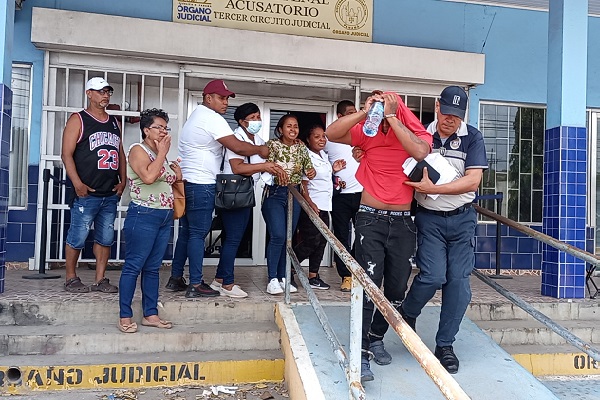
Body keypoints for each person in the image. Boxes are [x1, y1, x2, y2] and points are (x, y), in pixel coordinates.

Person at [326, 91, 432, 382]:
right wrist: (365, 111)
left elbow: (420, 151)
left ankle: (376, 337)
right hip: (370, 218)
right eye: (378, 109)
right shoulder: (366, 131)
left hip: (402, 222)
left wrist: (392, 116)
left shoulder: (412, 131)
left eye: (384, 107)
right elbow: (332, 133)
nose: (380, 114)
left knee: (397, 287)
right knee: (368, 284)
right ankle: (361, 349)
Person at [400, 86, 487, 374]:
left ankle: (445, 345)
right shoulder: (423, 136)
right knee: (433, 276)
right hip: (430, 219)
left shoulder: (472, 137)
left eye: (457, 116)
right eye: (447, 113)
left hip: (462, 220)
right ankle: (408, 314)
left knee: (458, 284)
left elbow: (473, 182)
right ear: (438, 106)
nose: (451, 120)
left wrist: (434, 188)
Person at [166, 80, 269, 298]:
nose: (225, 103)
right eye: (221, 98)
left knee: (187, 233)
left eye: (227, 99)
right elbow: (237, 147)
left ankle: (176, 278)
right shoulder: (210, 118)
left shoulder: (197, 116)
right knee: (197, 234)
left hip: (191, 181)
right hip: (201, 183)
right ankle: (195, 284)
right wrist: (261, 150)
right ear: (208, 98)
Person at [209, 103, 286, 298]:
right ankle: (227, 284)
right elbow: (238, 168)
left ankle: (218, 279)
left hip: (245, 192)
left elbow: (265, 160)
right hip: (234, 192)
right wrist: (265, 167)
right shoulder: (237, 140)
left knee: (233, 237)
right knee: (233, 238)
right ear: (242, 122)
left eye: (258, 116)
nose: (257, 121)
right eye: (253, 117)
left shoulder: (258, 140)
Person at [118, 109, 181, 333]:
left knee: (153, 268)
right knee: (133, 266)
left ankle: (150, 314)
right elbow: (148, 177)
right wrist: (163, 154)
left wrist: (175, 169)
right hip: (143, 215)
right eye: (159, 127)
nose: (164, 131)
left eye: (166, 128)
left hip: (163, 216)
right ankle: (125, 316)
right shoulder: (138, 150)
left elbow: (172, 178)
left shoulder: (160, 154)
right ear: (146, 130)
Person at [61, 77, 126, 293]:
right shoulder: (78, 119)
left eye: (108, 91)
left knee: (106, 237)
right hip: (86, 192)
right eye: (100, 91)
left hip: (109, 192)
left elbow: (120, 153)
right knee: (77, 236)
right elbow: (66, 154)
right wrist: (77, 183)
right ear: (89, 93)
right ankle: (71, 277)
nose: (105, 95)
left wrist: (123, 180)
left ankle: (100, 279)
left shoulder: (114, 122)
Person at [262, 114, 315, 295]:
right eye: (289, 126)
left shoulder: (302, 148)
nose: (293, 130)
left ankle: (283, 277)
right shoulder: (273, 145)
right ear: (280, 129)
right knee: (277, 235)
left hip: (295, 194)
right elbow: (266, 166)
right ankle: (272, 279)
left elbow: (308, 169)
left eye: (296, 126)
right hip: (275, 193)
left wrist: (311, 171)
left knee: (288, 239)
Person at [294, 123, 346, 290]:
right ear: (308, 140)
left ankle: (313, 276)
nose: (322, 139)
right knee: (311, 241)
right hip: (313, 205)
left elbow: (321, 176)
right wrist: (310, 204)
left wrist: (333, 169)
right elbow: (303, 183)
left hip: (325, 205)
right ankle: (288, 267)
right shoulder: (306, 156)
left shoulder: (323, 155)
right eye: (316, 137)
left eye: (323, 136)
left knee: (321, 242)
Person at [324, 100, 363, 292]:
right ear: (339, 117)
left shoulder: (363, 134)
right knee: (341, 237)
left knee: (364, 235)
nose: (354, 116)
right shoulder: (329, 138)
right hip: (340, 196)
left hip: (363, 194)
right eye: (350, 113)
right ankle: (346, 276)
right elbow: (315, 159)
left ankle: (357, 272)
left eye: (356, 112)